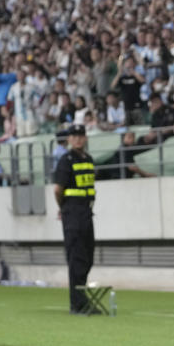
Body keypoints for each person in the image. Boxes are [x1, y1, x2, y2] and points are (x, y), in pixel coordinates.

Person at [52, 125, 95, 314]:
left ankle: (81, 298)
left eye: (80, 136)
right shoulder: (66, 160)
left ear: (85, 138)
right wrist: (63, 208)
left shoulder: (88, 159)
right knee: (76, 258)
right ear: (69, 139)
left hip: (86, 213)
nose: (78, 139)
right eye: (74, 136)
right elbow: (57, 189)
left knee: (87, 257)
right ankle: (77, 303)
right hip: (72, 213)